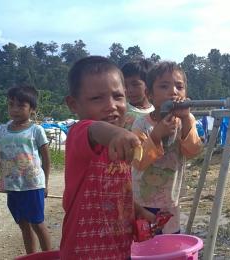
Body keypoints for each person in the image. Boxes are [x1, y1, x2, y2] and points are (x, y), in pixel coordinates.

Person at [60, 56, 154, 259]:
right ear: (73, 104)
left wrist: (137, 210)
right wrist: (116, 134)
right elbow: (95, 129)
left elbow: (117, 192)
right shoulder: (80, 132)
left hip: (120, 248)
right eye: (96, 98)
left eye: (118, 96)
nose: (111, 105)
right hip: (83, 251)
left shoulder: (120, 143)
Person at [131, 61, 202, 234]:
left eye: (179, 86)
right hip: (143, 201)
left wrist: (185, 120)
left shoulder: (187, 119)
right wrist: (156, 135)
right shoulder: (141, 124)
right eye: (164, 86)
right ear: (149, 94)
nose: (173, 92)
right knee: (145, 242)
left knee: (170, 241)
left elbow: (193, 151)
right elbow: (138, 161)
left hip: (171, 201)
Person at [0, 85, 52, 254]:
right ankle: (32, 257)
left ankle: (49, 257)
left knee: (37, 224)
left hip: (33, 185)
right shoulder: (1, 130)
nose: (15, 109)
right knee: (23, 225)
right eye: (11, 104)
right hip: (11, 186)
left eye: (21, 106)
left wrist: (46, 183)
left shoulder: (36, 130)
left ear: (32, 109)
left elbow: (46, 159)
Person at [121, 59, 155, 130]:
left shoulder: (156, 112)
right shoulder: (122, 110)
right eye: (125, 85)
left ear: (149, 84)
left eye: (135, 84)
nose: (129, 90)